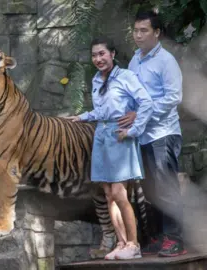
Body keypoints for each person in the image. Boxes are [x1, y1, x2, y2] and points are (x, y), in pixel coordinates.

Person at [66, 37, 153, 260]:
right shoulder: (96, 80)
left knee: (119, 192)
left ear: (112, 54)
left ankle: (134, 245)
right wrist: (84, 116)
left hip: (119, 136)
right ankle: (122, 243)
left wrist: (133, 131)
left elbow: (146, 103)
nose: (98, 59)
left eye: (102, 54)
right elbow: (102, 112)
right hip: (101, 137)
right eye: (94, 55)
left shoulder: (126, 77)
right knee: (108, 194)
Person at [117, 10, 186, 257]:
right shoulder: (135, 60)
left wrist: (142, 113)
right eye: (135, 30)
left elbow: (174, 97)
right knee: (151, 189)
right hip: (142, 135)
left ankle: (175, 239)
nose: (138, 35)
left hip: (163, 134)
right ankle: (160, 237)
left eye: (144, 30)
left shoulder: (166, 61)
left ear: (157, 33)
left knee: (166, 186)